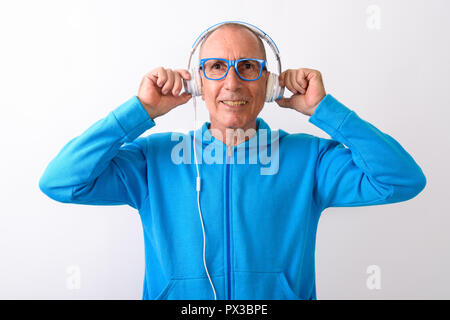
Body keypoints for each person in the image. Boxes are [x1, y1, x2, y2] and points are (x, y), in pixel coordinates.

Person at [39, 22, 426, 300]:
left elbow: (401, 180)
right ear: (196, 82)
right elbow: (61, 182)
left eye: (247, 67)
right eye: (216, 67)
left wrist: (324, 110)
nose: (232, 82)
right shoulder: (152, 160)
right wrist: (140, 110)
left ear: (269, 83)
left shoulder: (309, 159)